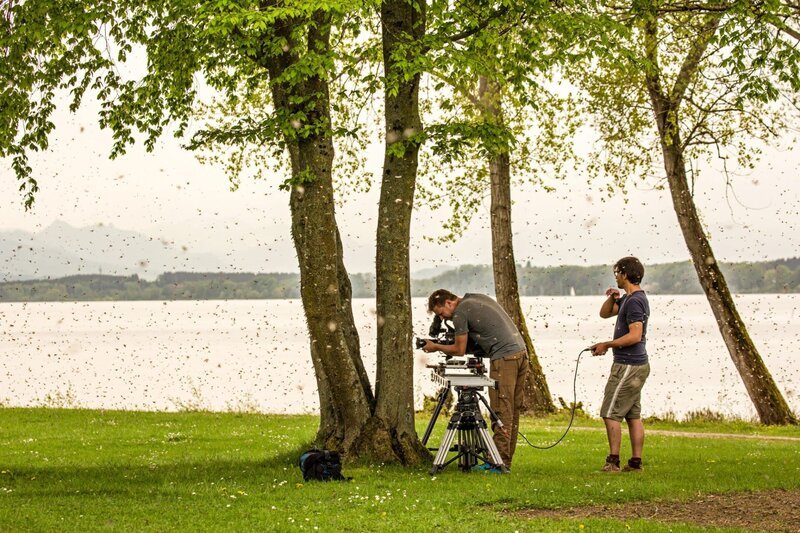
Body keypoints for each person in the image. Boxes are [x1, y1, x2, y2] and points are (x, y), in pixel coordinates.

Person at [423, 289, 529, 470]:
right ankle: (504, 460)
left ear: (449, 303)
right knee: (511, 410)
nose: (444, 319)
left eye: (442, 314)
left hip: (504, 358)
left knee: (501, 410)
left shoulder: (460, 312)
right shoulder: (476, 299)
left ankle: (498, 463)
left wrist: (435, 346)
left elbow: (459, 350)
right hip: (520, 354)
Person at [590, 256, 651, 473]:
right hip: (636, 365)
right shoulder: (629, 298)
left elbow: (635, 335)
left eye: (617, 273)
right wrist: (613, 298)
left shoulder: (634, 301)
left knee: (610, 412)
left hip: (628, 365)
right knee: (632, 415)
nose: (615, 276)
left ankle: (613, 462)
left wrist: (607, 344)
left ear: (625, 274)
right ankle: (635, 463)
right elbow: (605, 313)